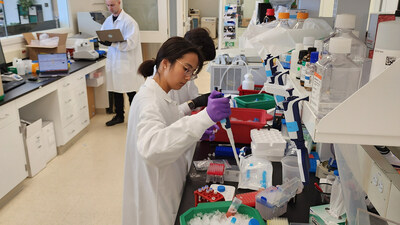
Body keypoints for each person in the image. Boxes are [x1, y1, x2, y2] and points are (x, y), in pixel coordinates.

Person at [122, 37, 231, 225]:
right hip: (157, 193)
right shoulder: (149, 101)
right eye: (186, 69)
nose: (188, 77)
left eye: (192, 72)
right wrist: (205, 117)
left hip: (167, 181)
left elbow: (170, 118)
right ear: (165, 64)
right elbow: (153, 147)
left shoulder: (160, 93)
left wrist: (198, 126)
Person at [100, 0, 145, 126]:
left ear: (119, 2)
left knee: (131, 91)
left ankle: (138, 117)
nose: (110, 8)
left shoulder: (129, 21)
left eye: (112, 5)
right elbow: (103, 33)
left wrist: (113, 43)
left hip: (127, 62)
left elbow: (131, 43)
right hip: (114, 62)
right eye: (108, 5)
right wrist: (103, 41)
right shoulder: (108, 21)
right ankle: (119, 116)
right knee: (116, 90)